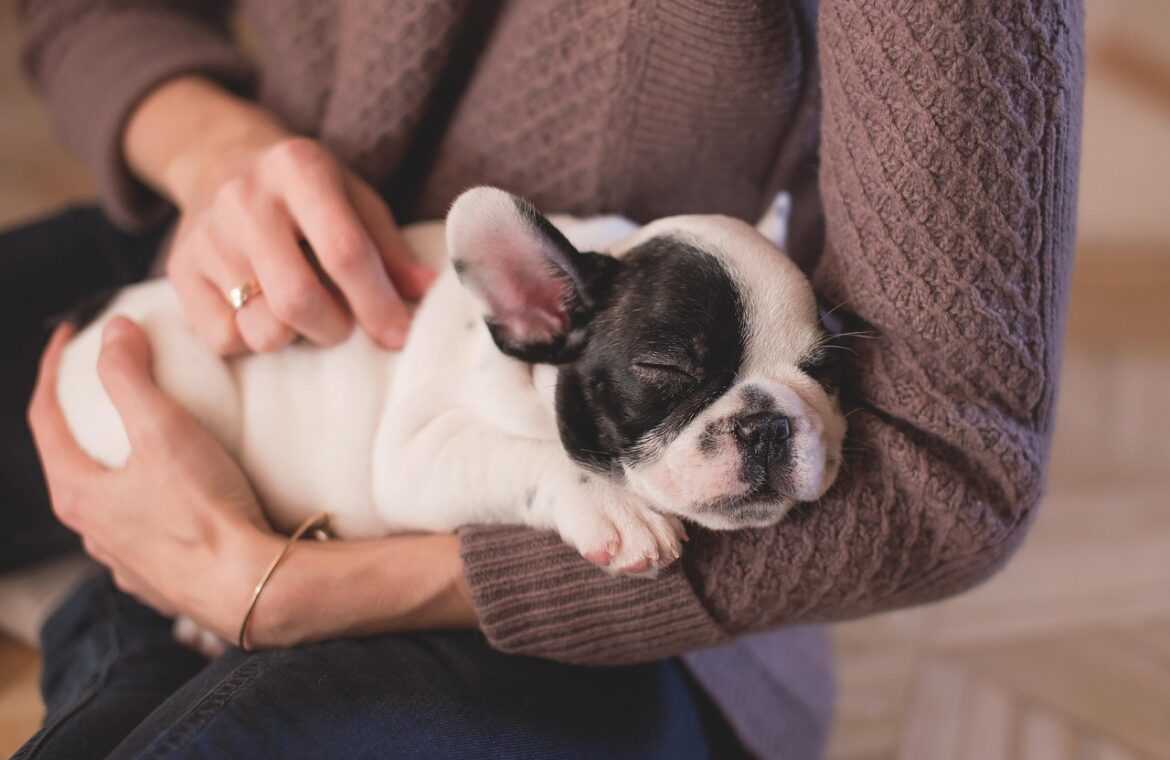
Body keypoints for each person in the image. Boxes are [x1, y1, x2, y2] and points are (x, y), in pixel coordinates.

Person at [4, 0, 1083, 757]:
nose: (762, 425)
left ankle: (115, 622)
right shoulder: (551, 309)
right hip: (232, 286)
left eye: (811, 375)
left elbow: (955, 468)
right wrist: (214, 151)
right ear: (530, 312)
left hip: (610, 622)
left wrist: (287, 593)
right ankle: (123, 614)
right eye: (675, 380)